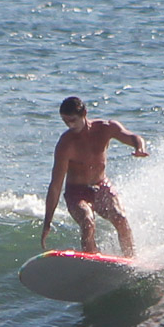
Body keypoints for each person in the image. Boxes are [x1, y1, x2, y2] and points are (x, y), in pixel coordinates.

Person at [40, 96, 149, 257]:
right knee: (87, 221)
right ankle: (92, 259)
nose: (70, 125)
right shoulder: (65, 144)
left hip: (101, 186)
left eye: (72, 120)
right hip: (76, 193)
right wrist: (47, 222)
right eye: (65, 121)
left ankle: (131, 259)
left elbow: (132, 137)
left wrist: (139, 147)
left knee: (120, 217)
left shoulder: (105, 128)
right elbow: (56, 185)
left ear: (84, 113)